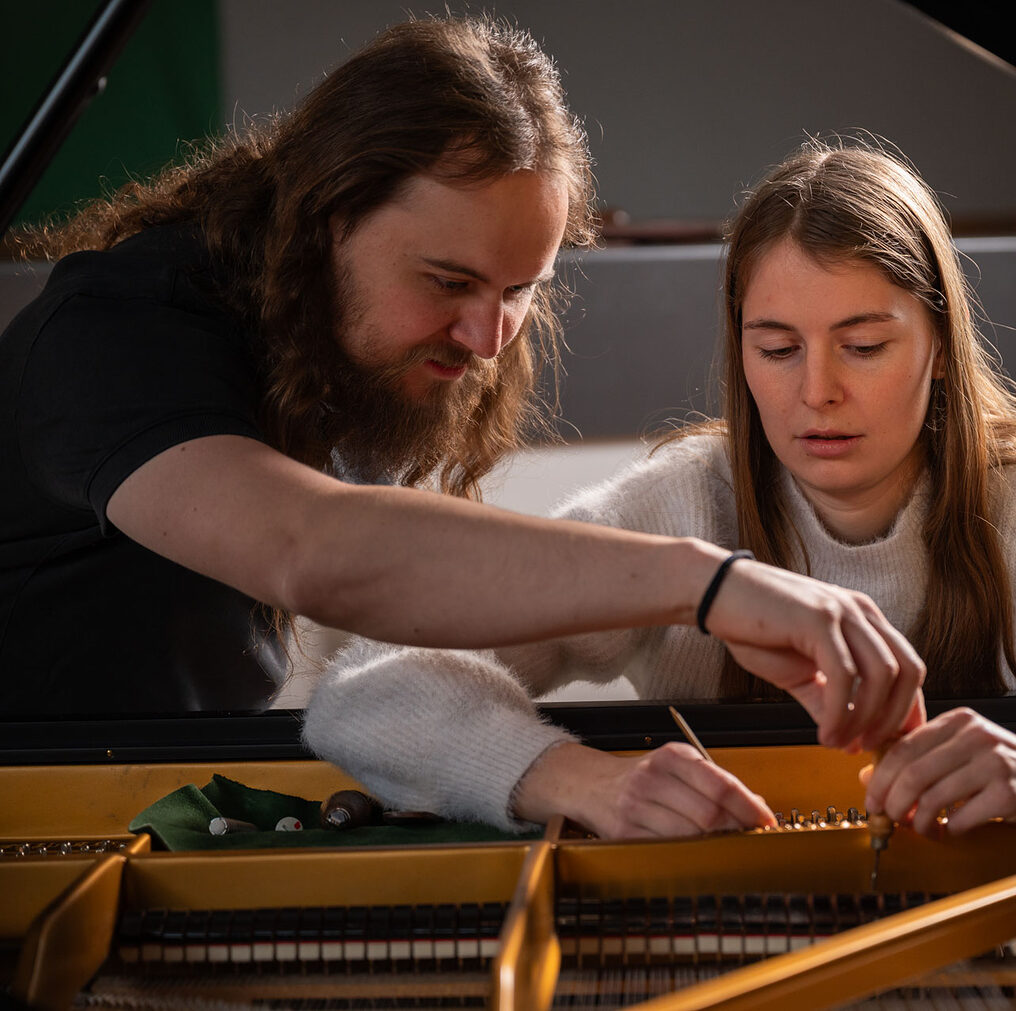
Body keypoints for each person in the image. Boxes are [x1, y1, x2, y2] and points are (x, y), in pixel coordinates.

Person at [304, 141, 1016, 841]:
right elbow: (368, 689)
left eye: (862, 344)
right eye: (774, 347)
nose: (815, 393)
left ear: (939, 351)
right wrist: (575, 781)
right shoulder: (682, 509)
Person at [0, 16, 925, 766]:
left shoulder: (342, 341)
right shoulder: (114, 333)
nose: (489, 339)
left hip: (158, 793)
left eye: (521, 290)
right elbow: (310, 546)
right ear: (325, 221)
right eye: (448, 283)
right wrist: (703, 580)